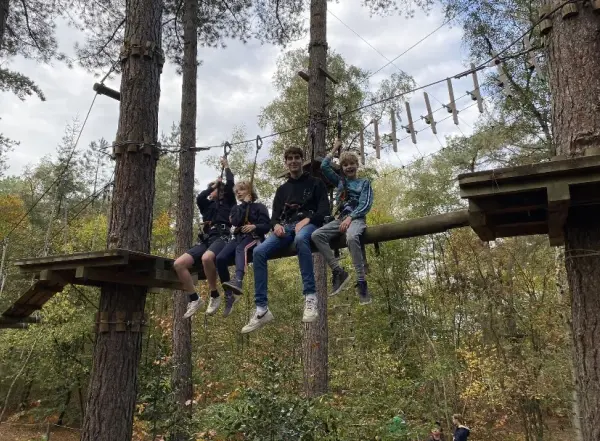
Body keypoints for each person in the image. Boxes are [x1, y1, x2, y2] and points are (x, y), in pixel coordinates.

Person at [241, 146, 330, 334]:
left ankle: (310, 297)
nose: (293, 161)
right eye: (289, 158)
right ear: (286, 162)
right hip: (286, 228)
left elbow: (324, 210)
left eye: (297, 157)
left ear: (302, 160)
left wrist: (307, 220)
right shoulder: (282, 190)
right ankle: (261, 308)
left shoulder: (316, 183)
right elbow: (274, 217)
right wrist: (275, 226)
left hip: (308, 225)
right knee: (258, 252)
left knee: (301, 239)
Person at [311, 138, 374, 304]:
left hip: (356, 218)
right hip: (340, 220)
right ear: (343, 168)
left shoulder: (364, 183)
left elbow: (365, 204)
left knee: (352, 237)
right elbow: (324, 166)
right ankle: (339, 271)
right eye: (345, 165)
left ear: (357, 165)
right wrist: (334, 149)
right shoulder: (340, 182)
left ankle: (362, 282)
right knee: (317, 235)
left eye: (352, 164)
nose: (349, 167)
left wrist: (351, 217)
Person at [173, 157, 236, 319]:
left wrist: (226, 167)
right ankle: (194, 299)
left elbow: (230, 183)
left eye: (218, 189)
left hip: (222, 237)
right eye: (213, 189)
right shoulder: (206, 205)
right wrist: (212, 187)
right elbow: (200, 197)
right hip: (207, 238)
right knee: (179, 264)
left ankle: (214, 294)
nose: (215, 191)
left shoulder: (229, 202)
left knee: (207, 258)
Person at [212, 180, 270, 317]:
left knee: (240, 249)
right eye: (236, 191)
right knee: (220, 258)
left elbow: (267, 226)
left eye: (242, 190)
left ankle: (238, 279)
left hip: (253, 237)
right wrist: (244, 204)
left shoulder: (259, 207)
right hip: (238, 237)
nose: (238, 192)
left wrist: (255, 226)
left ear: (250, 192)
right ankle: (229, 294)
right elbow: (236, 221)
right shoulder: (235, 208)